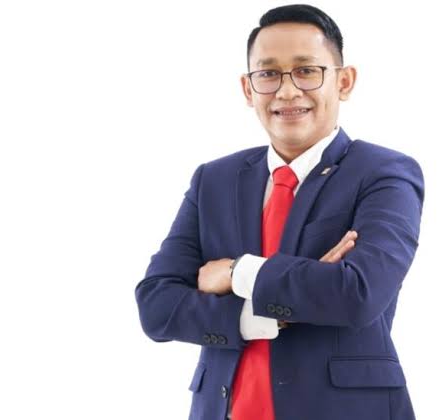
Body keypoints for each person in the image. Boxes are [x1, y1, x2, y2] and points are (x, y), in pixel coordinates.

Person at [135, 4, 424, 420]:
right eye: (268, 74)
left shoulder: (384, 173)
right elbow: (156, 306)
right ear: (247, 88)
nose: (287, 91)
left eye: (306, 71)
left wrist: (236, 272)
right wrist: (263, 316)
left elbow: (358, 294)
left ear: (344, 81)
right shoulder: (214, 180)